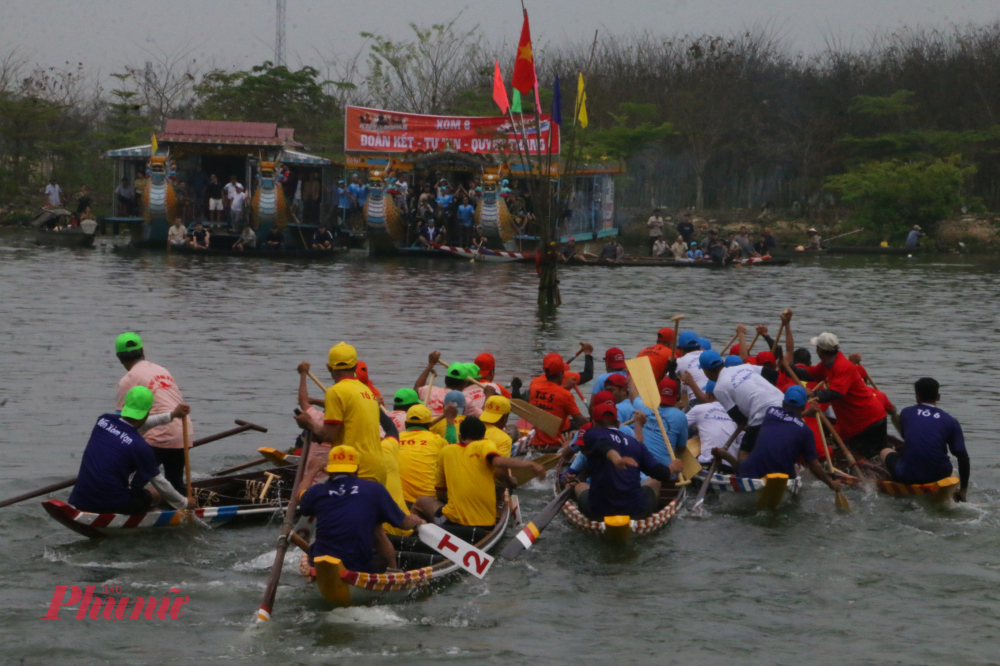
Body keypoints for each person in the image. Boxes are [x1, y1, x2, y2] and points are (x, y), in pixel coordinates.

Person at [298, 445, 424, 573]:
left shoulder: (317, 491)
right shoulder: (375, 489)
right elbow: (404, 524)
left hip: (320, 563)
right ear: (357, 467)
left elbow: (300, 496)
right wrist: (415, 520)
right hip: (357, 566)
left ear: (330, 469)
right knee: (377, 531)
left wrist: (312, 471)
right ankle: (393, 570)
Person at [68, 386, 192, 514]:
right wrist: (185, 503)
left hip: (80, 499)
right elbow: (160, 483)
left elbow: (134, 425)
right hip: (113, 504)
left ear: (126, 405)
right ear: (149, 411)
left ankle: (145, 507)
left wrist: (172, 415)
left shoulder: (103, 421)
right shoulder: (140, 447)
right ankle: (150, 510)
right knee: (156, 492)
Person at [782, 319, 887, 460]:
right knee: (863, 457)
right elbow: (809, 373)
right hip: (854, 421)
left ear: (819, 350)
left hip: (868, 420)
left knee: (866, 459)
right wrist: (789, 369)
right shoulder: (826, 365)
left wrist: (813, 393)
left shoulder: (842, 366)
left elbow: (836, 393)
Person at [413, 418, 545, 528]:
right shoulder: (485, 445)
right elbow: (498, 463)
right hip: (486, 524)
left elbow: (440, 491)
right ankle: (498, 512)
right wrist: (530, 464)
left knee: (421, 501)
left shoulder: (446, 451)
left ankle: (413, 532)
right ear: (483, 437)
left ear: (459, 437)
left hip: (451, 522)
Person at [711, 386, 841, 495]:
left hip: (749, 473)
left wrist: (805, 413)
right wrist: (831, 484)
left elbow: (787, 417)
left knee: (746, 453)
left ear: (783, 403)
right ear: (802, 407)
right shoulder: (806, 431)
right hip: (778, 480)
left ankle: (731, 460)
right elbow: (814, 465)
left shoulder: (770, 412)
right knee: (795, 473)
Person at [294, 342, 387, 486]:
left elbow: (329, 435)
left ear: (329, 367)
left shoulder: (336, 391)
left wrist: (309, 423)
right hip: (378, 468)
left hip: (355, 469)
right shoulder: (366, 391)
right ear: (355, 366)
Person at [568, 403, 679, 521]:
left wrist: (616, 459)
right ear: (618, 424)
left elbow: (603, 445)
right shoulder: (636, 444)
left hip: (599, 512)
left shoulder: (591, 434)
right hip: (636, 512)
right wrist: (673, 467)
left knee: (580, 485)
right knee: (654, 481)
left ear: (593, 423)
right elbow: (661, 474)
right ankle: (649, 514)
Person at [114, 333, 193, 494]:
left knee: (133, 483)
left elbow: (121, 424)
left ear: (119, 358)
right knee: (175, 482)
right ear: (143, 351)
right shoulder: (161, 369)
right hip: (183, 432)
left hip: (159, 436)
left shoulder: (128, 379)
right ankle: (182, 506)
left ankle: (130, 509)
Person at [879, 378, 969, 500]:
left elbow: (908, 438)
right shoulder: (951, 421)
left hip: (908, 474)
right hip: (940, 473)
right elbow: (963, 457)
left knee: (885, 451)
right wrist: (963, 490)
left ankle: (893, 478)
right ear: (938, 397)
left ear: (917, 397)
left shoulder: (906, 413)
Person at [700, 349, 785, 453]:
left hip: (762, 415)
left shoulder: (719, 388)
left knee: (742, 455)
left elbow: (741, 421)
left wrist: (725, 447)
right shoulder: (744, 367)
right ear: (722, 362)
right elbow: (773, 374)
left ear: (705, 371)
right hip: (783, 403)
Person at [397, 403, 457, 503]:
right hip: (430, 500)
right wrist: (450, 420)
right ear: (429, 425)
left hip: (400, 501)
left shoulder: (394, 439)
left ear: (406, 424)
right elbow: (452, 445)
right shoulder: (436, 440)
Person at [528, 353, 588, 448]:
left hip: (534, 442)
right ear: (562, 373)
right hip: (555, 445)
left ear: (544, 370)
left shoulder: (533, 386)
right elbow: (580, 420)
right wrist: (597, 425)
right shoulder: (565, 395)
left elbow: (550, 392)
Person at [631, 377, 688, 468]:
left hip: (641, 465)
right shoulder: (680, 416)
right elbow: (681, 447)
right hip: (665, 468)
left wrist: (631, 380)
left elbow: (633, 396)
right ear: (677, 397)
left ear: (656, 394)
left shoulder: (643, 406)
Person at [684, 381, 743, 466]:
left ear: (708, 396)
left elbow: (679, 424)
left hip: (708, 462)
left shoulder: (700, 409)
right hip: (731, 464)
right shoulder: (736, 413)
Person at [674, 331, 707, 401]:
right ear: (699, 346)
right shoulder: (709, 355)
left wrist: (670, 370)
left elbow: (666, 382)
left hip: (696, 399)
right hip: (716, 398)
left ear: (681, 349)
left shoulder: (680, 361)